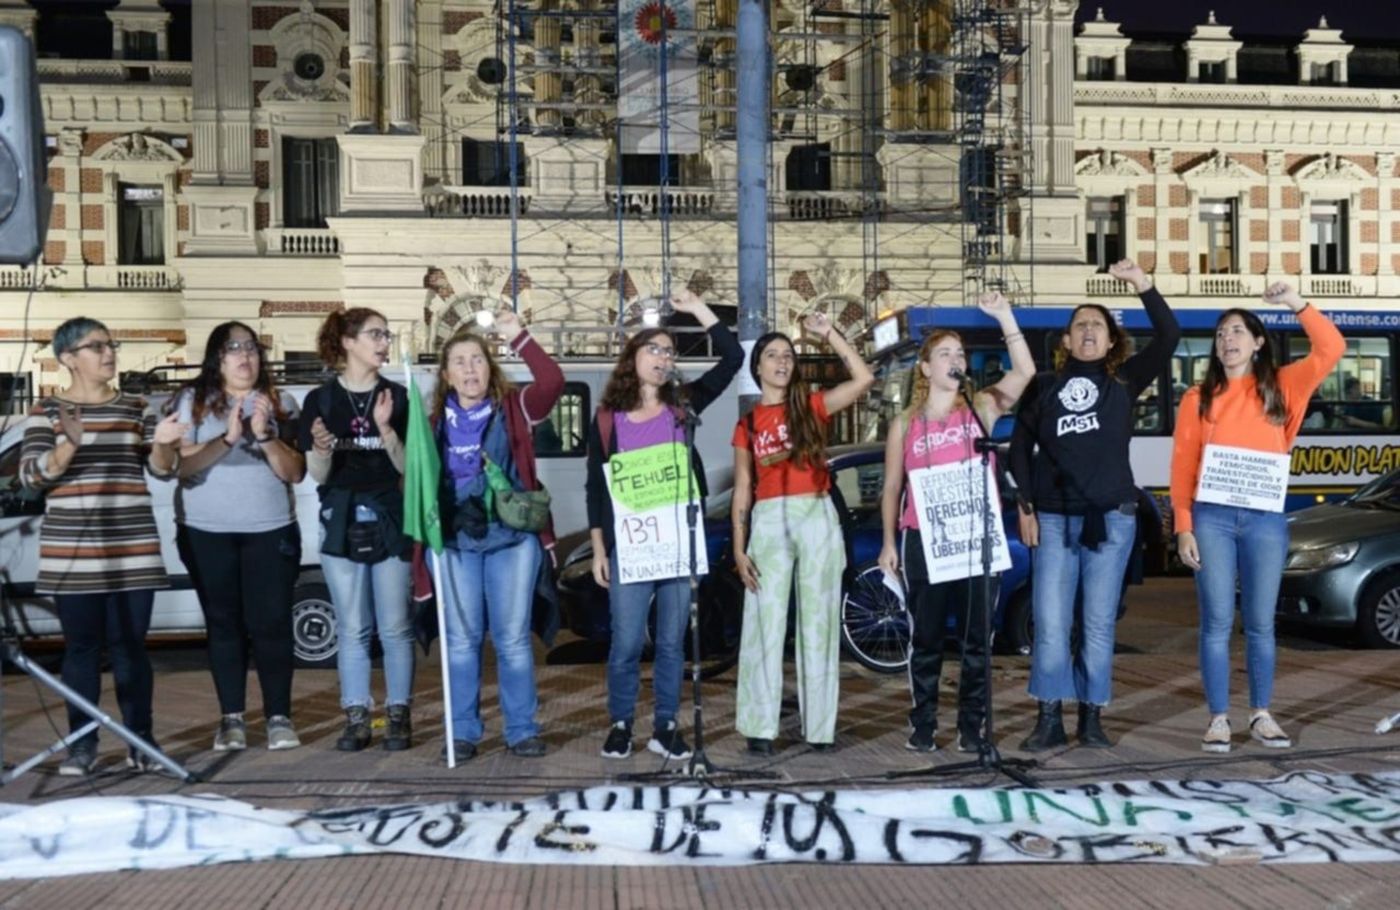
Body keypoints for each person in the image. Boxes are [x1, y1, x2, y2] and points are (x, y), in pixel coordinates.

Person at [1009, 259, 1180, 751]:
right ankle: (1048, 718)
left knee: (1099, 624)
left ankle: (1091, 717)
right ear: (1066, 340)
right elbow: (1019, 447)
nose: (1088, 331)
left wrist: (1142, 284)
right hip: (1053, 518)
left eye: (1098, 325)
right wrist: (1025, 504)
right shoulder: (1043, 386)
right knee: (1051, 623)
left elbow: (1168, 336)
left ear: (1110, 341)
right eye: (1080, 324)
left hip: (1111, 518)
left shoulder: (1123, 381)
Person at [1172, 282, 1343, 753]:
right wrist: (1183, 526)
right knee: (1216, 621)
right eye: (1220, 333)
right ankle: (1218, 718)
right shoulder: (1197, 398)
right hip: (1212, 518)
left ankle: (1261, 713)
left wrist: (1296, 303)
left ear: (1258, 342)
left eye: (1237, 331)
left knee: (1261, 623)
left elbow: (1332, 348)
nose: (1227, 339)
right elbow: (1183, 464)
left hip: (1265, 518)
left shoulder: (1283, 386)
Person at [19, 317, 187, 775]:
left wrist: (165, 444)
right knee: (81, 650)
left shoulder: (135, 406)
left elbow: (163, 469)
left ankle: (141, 741)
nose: (109, 353)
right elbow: (31, 476)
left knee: (131, 648)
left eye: (111, 344)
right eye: (96, 346)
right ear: (68, 358)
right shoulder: (47, 411)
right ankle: (82, 745)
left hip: (133, 550)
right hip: (72, 555)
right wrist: (68, 447)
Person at [586, 289, 743, 760]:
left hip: (676, 545)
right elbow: (596, 488)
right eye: (653, 349)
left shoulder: (683, 407)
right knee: (627, 641)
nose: (662, 358)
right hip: (631, 547)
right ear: (632, 357)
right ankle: (620, 723)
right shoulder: (608, 420)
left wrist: (697, 310)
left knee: (673, 642)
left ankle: (666, 725)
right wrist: (599, 549)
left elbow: (733, 358)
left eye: (669, 352)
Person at [877, 292, 1036, 753]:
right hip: (924, 539)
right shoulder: (905, 424)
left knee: (976, 640)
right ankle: (923, 724)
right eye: (945, 354)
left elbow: (1025, 372)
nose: (955, 360)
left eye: (960, 354)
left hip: (974, 538)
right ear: (926, 368)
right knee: (927, 638)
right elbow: (892, 486)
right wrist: (888, 543)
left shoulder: (979, 408)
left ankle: (972, 728)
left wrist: (1005, 317)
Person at [731, 312, 875, 755]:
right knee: (763, 623)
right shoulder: (748, 424)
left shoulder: (812, 406)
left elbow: (864, 378)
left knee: (819, 622)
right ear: (757, 366)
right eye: (772, 355)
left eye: (788, 356)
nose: (782, 362)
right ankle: (759, 727)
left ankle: (819, 729)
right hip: (768, 517)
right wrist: (738, 548)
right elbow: (742, 488)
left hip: (816, 513)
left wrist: (830, 334)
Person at [431, 309, 563, 762]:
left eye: (478, 360)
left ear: (491, 368)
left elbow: (552, 382)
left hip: (511, 539)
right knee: (462, 641)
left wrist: (518, 336)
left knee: (512, 640)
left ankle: (521, 729)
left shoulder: (514, 408)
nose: (470, 369)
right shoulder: (432, 424)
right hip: (457, 543)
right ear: (446, 376)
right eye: (460, 362)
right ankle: (464, 732)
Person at [171, 321, 306, 752]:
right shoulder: (191, 402)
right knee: (223, 625)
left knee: (272, 624)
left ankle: (279, 717)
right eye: (234, 348)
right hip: (206, 532)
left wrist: (264, 436)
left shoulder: (281, 403)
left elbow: (295, 472)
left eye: (251, 348)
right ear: (217, 357)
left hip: (270, 530)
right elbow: (181, 466)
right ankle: (231, 719)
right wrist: (227, 439)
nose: (245, 356)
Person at [297, 307, 414, 752]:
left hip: (389, 517)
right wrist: (322, 449)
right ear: (348, 342)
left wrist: (386, 431)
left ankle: (398, 714)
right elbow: (318, 475)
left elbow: (410, 469)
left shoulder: (398, 397)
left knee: (395, 627)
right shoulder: (321, 400)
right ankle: (357, 716)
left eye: (386, 334)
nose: (384, 343)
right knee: (352, 628)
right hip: (340, 518)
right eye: (375, 334)